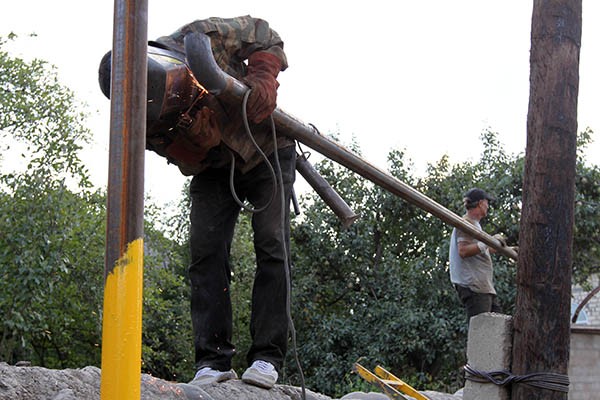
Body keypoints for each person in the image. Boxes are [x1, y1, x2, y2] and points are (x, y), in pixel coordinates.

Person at [154, 16, 296, 389]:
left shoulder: (203, 36)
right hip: (216, 166)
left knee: (272, 243)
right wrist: (196, 146)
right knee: (206, 252)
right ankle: (212, 361)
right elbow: (184, 162)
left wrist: (263, 77)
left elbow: (269, 37)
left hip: (268, 148)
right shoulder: (140, 117)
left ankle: (267, 358)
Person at [449, 188, 502, 322]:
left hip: (482, 286)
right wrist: (487, 242)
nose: (488, 206)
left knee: (497, 327)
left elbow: (478, 251)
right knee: (482, 331)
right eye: (487, 202)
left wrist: (500, 247)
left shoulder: (475, 225)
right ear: (480, 203)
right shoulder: (466, 223)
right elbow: (464, 251)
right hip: (474, 286)